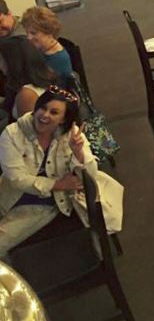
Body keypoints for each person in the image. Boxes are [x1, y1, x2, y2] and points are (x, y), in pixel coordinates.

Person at [0, 86, 96, 258]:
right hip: (7, 193)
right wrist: (58, 184)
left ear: (63, 119)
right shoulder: (12, 133)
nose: (45, 115)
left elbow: (89, 177)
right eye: (42, 108)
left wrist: (78, 153)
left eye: (54, 112)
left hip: (42, 204)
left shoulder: (72, 135)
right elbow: (15, 178)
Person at [0, 38, 58, 119]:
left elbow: (25, 126)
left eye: (1, 59)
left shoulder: (27, 94)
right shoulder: (45, 77)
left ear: (12, 62)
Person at [21, 6, 73, 84]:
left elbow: (48, 87)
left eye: (33, 33)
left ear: (49, 33)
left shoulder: (59, 59)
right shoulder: (41, 49)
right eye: (27, 32)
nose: (28, 37)